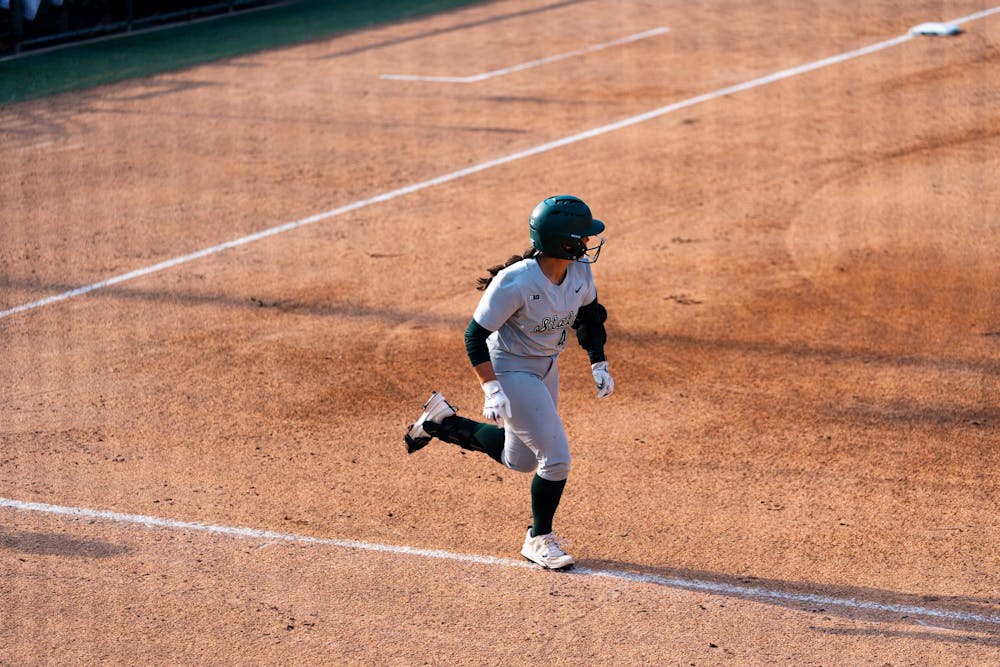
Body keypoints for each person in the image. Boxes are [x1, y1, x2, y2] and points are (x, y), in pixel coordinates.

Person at [404, 195, 615, 570]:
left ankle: (439, 422)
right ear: (562, 242)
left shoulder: (579, 271)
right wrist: (493, 388)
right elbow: (474, 335)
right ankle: (538, 538)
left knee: (519, 460)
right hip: (510, 368)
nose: (587, 243)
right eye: (581, 237)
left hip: (546, 366)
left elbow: (590, 318)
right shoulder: (514, 282)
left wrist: (598, 361)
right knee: (556, 460)